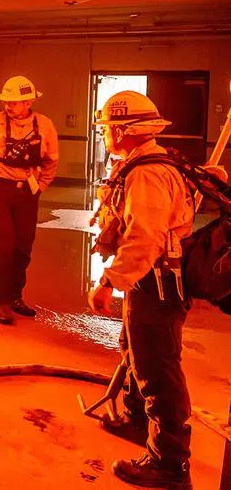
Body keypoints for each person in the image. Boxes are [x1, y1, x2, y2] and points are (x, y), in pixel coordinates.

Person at [87, 91, 195, 490]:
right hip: (152, 280)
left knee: (157, 368)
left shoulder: (147, 172)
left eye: (108, 129)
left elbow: (144, 237)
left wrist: (108, 283)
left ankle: (169, 463)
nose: (105, 136)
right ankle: (136, 420)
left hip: (157, 282)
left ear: (123, 131)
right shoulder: (146, 163)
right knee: (134, 350)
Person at [0, 75, 59, 325]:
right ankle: (2, 303)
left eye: (15, 102)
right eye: (7, 102)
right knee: (3, 247)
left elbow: (51, 159)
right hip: (0, 190)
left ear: (28, 101)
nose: (9, 106)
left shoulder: (45, 125)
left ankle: (16, 296)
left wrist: (40, 186)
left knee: (23, 247)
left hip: (28, 192)